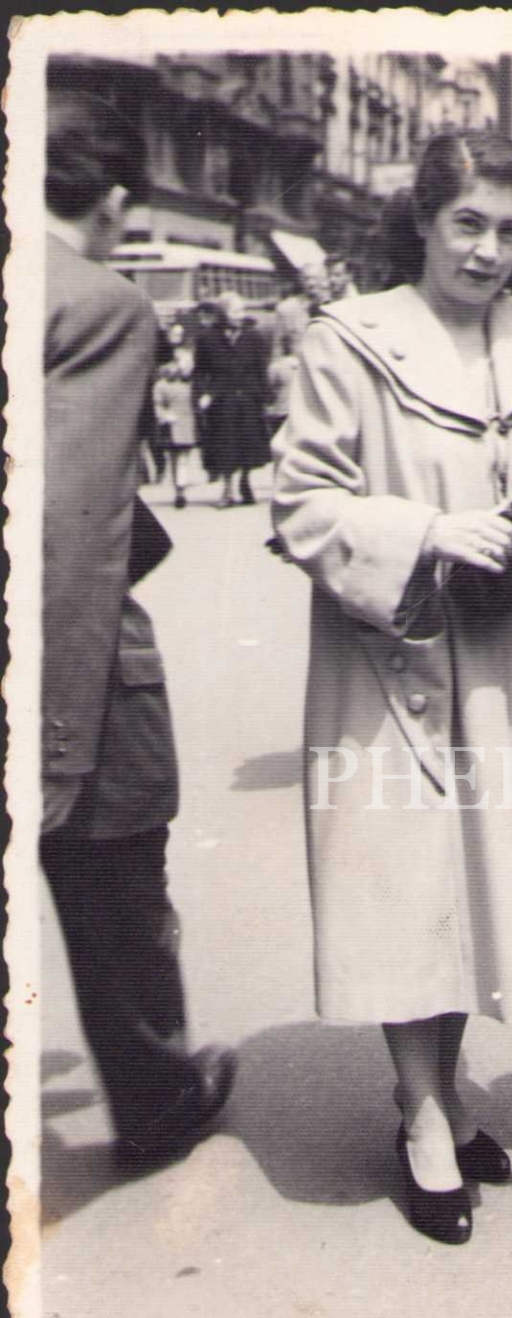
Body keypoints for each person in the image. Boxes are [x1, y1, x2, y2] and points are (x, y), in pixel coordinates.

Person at [273, 129, 512, 1247]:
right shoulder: (349, 340)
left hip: (510, 654)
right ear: (421, 220)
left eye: (509, 230)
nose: (487, 250)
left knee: (474, 883)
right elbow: (303, 500)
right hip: (393, 655)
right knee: (405, 883)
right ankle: (421, 1112)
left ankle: (444, 1090)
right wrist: (424, 531)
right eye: (467, 222)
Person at [42, 89, 236, 1169]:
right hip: (74, 681)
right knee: (115, 893)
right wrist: (57, 745)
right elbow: (69, 532)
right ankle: (159, 1100)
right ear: (114, 200)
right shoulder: (100, 306)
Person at [192, 290, 272, 507]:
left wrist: (265, 395)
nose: (240, 315)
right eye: (235, 311)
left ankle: (245, 481)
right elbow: (200, 371)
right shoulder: (207, 338)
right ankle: (227, 490)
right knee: (225, 444)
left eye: (242, 310)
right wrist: (202, 394)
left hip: (248, 397)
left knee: (248, 443)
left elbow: (261, 368)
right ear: (223, 312)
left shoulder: (253, 336)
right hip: (222, 398)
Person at [152, 326, 197, 508]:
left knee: (184, 456)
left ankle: (181, 489)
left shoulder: (190, 382)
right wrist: (163, 415)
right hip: (171, 420)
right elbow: (158, 403)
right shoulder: (162, 383)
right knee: (173, 456)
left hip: (186, 418)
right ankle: (178, 488)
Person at [272, 259, 331, 356]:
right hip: (298, 362)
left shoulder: (331, 307)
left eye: (315, 278)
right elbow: (278, 346)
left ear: (323, 280)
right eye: (306, 279)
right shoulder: (286, 308)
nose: (311, 283)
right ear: (300, 281)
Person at [266, 332, 298, 438]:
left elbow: (268, 390)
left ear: (282, 346)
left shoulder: (276, 366)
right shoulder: (302, 366)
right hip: (296, 413)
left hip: (280, 412)